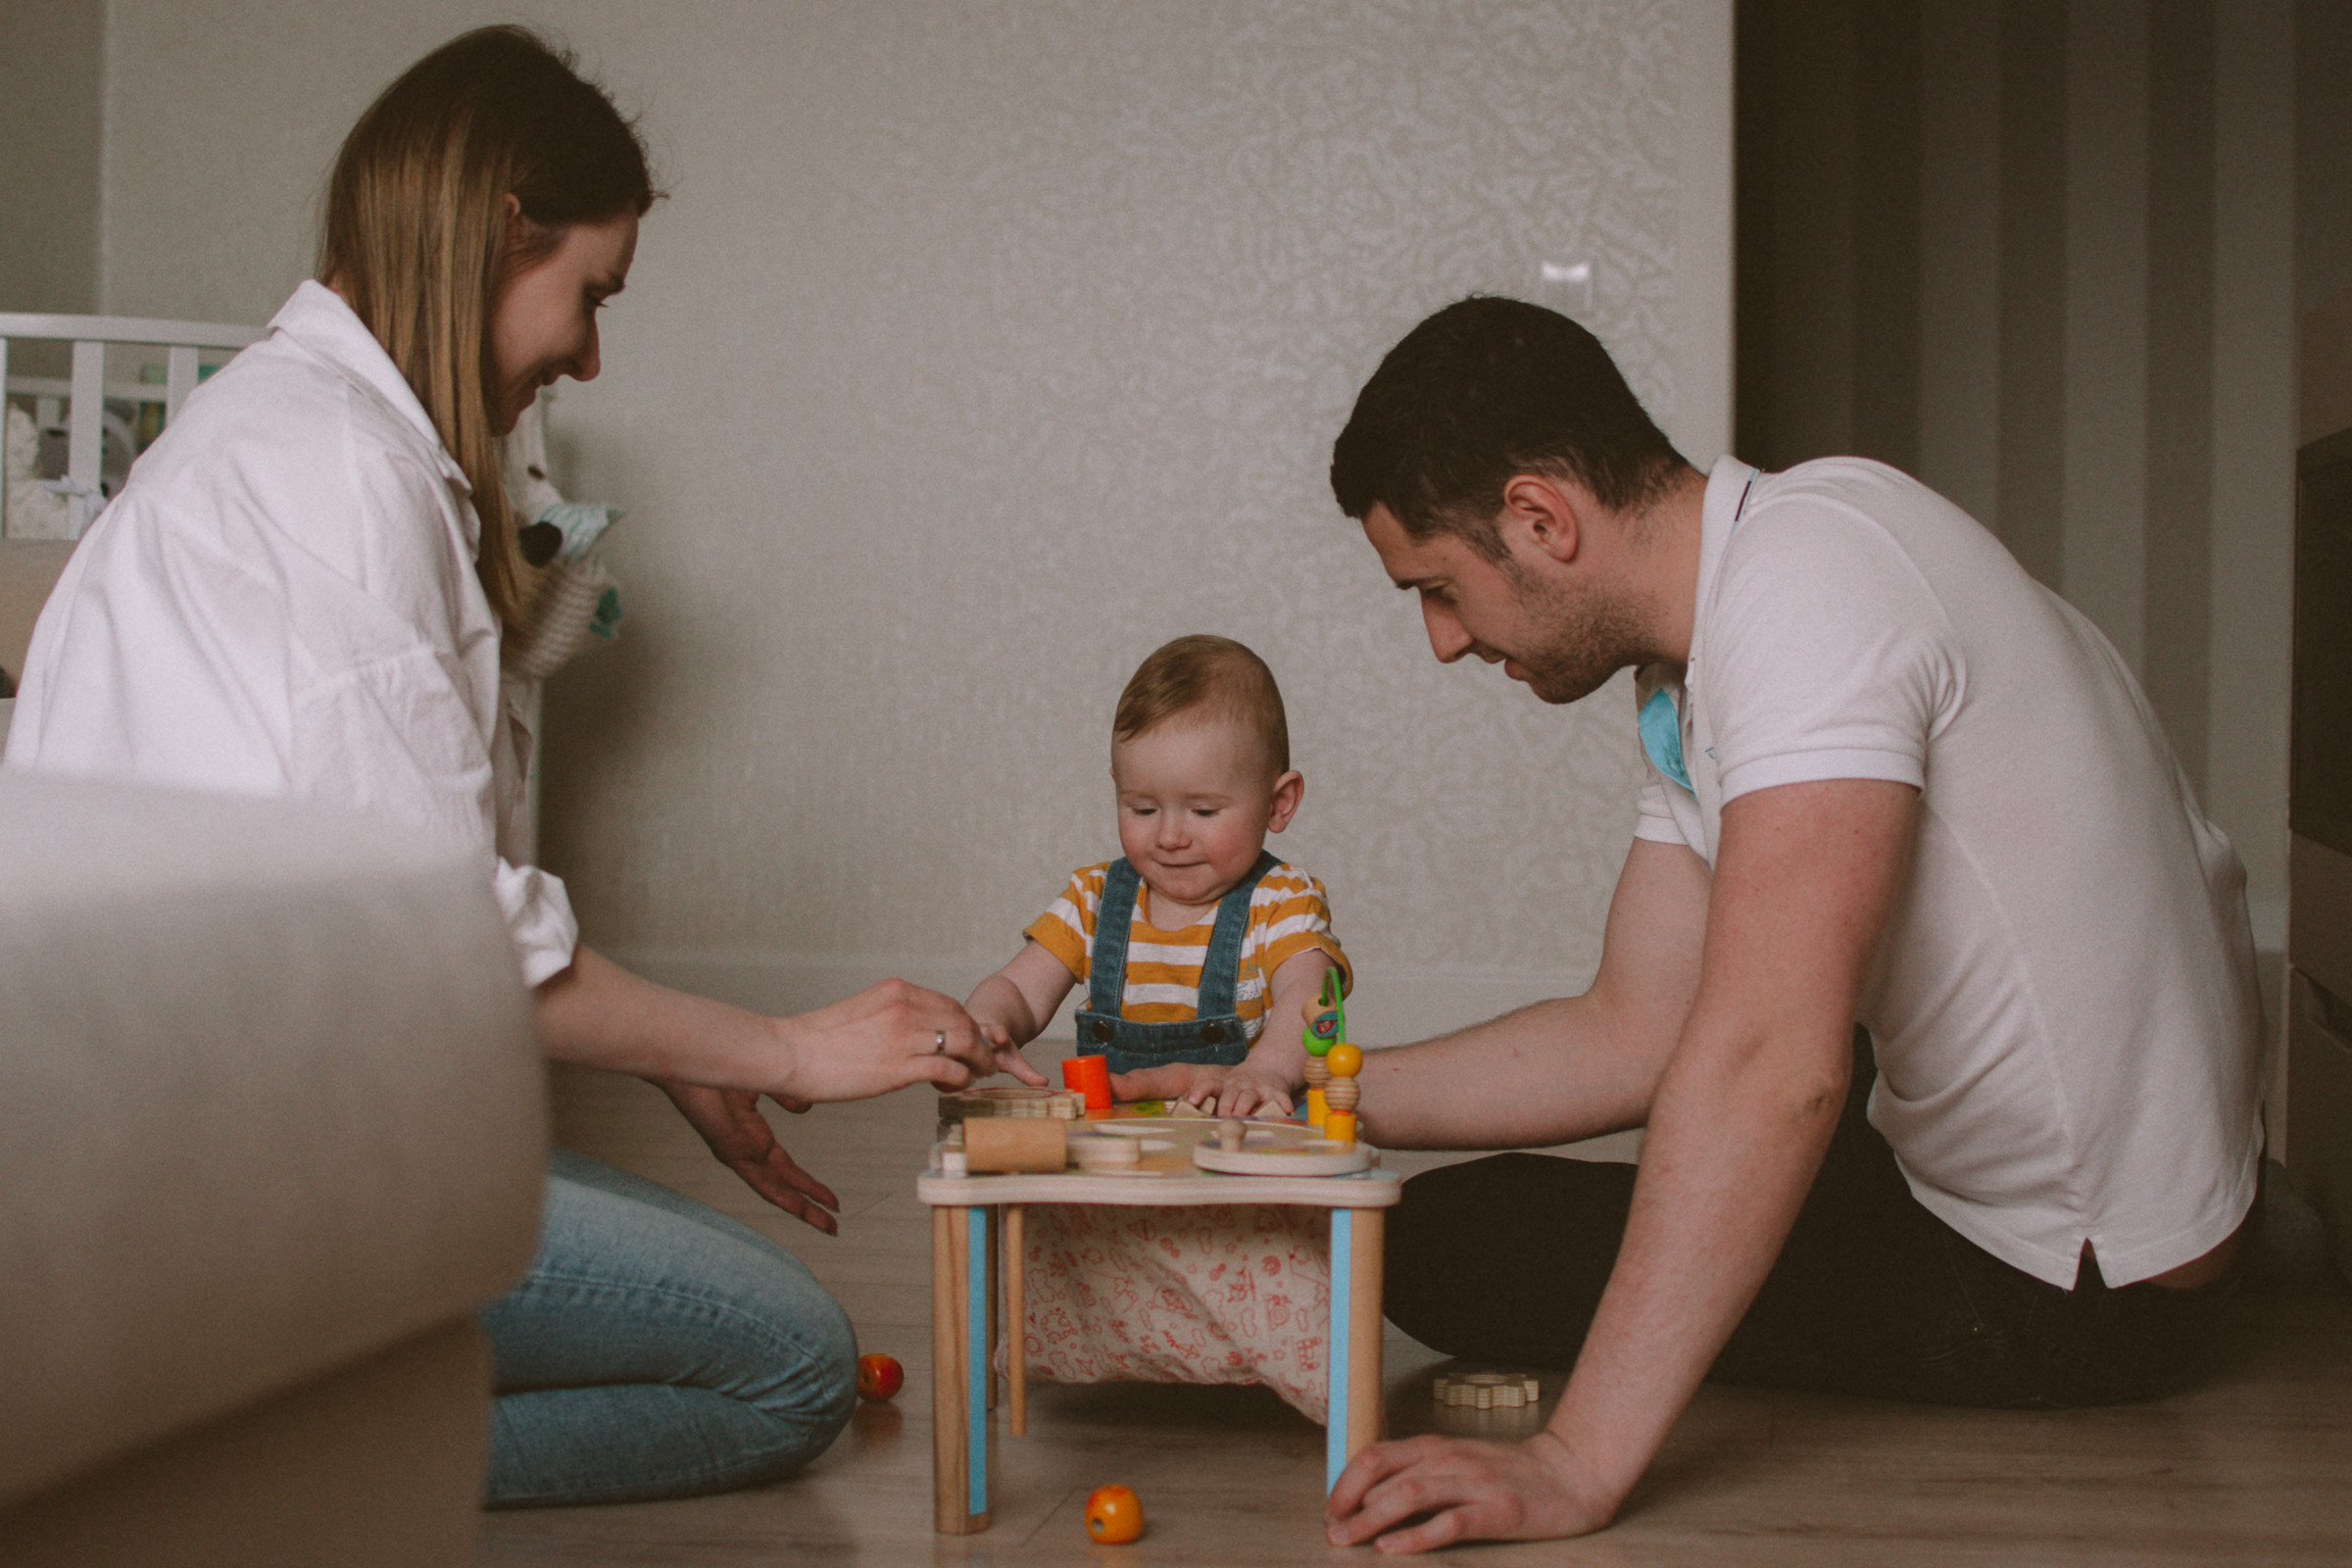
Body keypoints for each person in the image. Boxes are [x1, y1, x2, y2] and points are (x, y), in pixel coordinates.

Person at [4, 26, 1023, 1508]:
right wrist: (784, 1049)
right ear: (499, 232)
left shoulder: (278, 434)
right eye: (589, 296)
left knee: (709, 1308)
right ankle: (212, 1468)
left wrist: (677, 1047)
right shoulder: (337, 475)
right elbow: (453, 942)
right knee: (789, 1360)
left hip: (179, 1150)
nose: (588, 356)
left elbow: (408, 900)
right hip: (209, 1193)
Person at [1315, 297, 2263, 1551]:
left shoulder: (1806, 602)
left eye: (1438, 588)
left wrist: (1571, 1461)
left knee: (1448, 1240)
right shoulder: (1744, 605)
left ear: (1540, 519)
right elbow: (1636, 1029)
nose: (1440, 641)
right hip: (2125, 1190)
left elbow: (1772, 1065)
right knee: (1696, 1078)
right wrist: (1320, 1089)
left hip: (2080, 1288)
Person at [966, 633, 1348, 1116]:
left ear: (1278, 803)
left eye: (1204, 811)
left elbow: (1308, 995)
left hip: (1236, 1131)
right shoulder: (1095, 898)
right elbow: (1020, 988)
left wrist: (1267, 1069)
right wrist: (986, 1020)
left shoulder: (1281, 901)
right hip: (1117, 1138)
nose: (1169, 836)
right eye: (1143, 809)